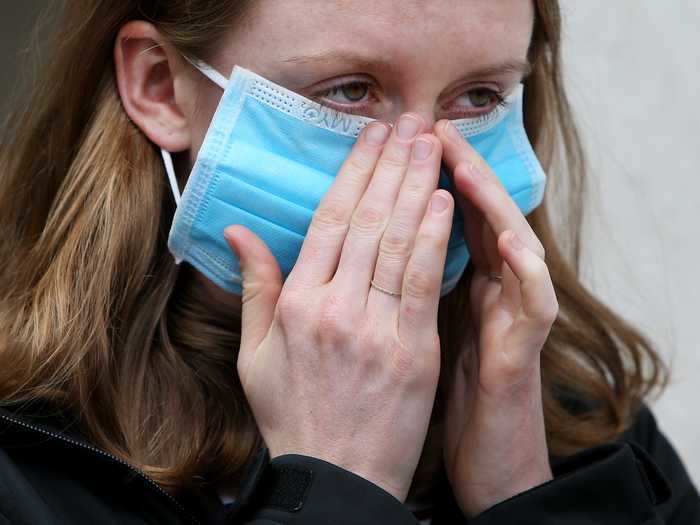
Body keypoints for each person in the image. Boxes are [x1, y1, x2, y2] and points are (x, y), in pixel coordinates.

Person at [0, 0, 697, 524]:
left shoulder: (579, 421)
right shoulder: (24, 465)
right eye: (350, 91)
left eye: (478, 97)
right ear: (159, 85)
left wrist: (525, 490)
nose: (422, 169)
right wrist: (335, 484)